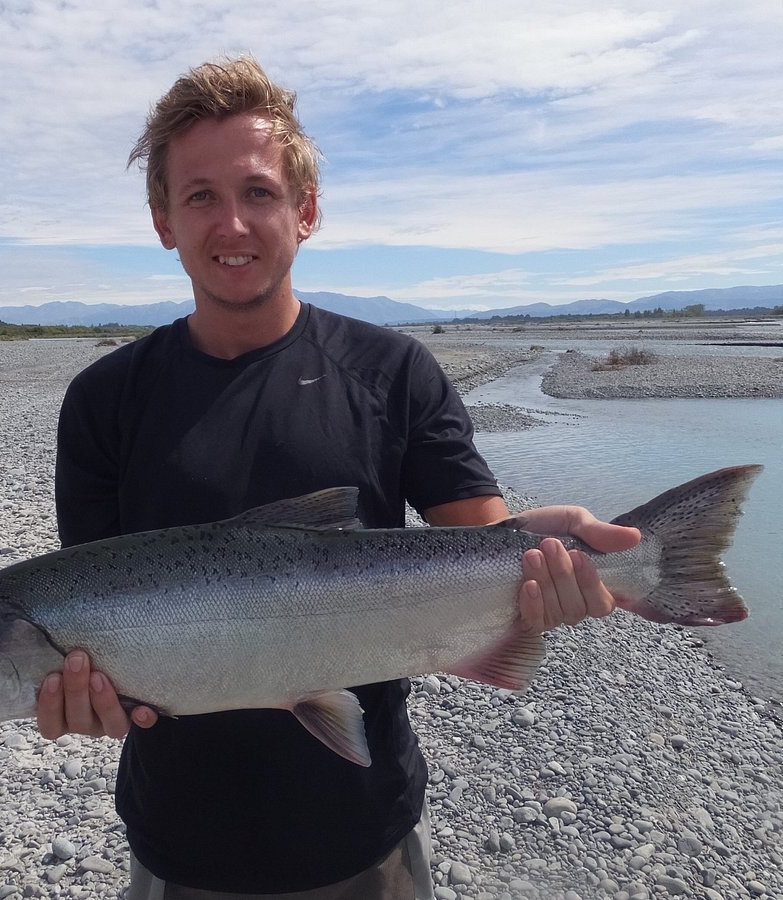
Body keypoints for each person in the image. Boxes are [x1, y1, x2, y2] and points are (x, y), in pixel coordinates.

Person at [38, 57, 640, 899]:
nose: (232, 223)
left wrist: (558, 561)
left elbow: (481, 547)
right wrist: (85, 698)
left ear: (305, 211)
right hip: (178, 838)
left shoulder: (393, 371)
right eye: (200, 196)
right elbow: (87, 616)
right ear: (162, 220)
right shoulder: (105, 400)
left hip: (364, 830)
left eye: (258, 192)